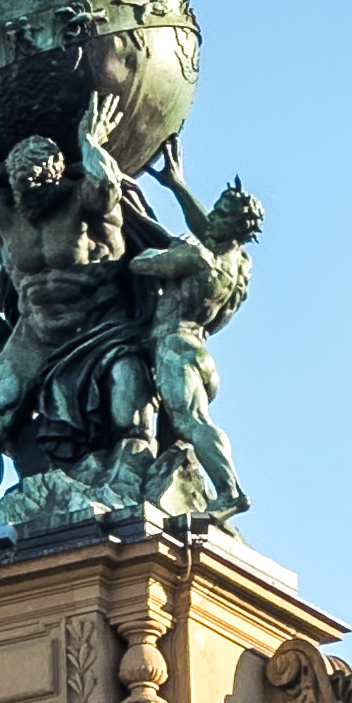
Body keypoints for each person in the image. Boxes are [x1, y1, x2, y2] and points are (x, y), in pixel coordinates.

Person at [0, 92, 144, 542]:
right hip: (34, 332)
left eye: (35, 190)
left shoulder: (86, 202)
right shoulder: (0, 208)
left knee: (129, 412)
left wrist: (91, 142)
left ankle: (123, 485)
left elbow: (108, 188)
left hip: (100, 329)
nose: (27, 200)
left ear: (55, 177)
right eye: (20, 190)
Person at [123, 134, 262, 527]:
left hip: (173, 348)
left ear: (231, 226)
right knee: (181, 431)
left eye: (220, 213)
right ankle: (184, 490)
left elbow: (140, 264)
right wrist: (177, 185)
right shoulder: (239, 263)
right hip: (201, 351)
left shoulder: (193, 256)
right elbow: (208, 231)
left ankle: (230, 491)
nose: (211, 216)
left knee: (192, 423)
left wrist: (168, 247)